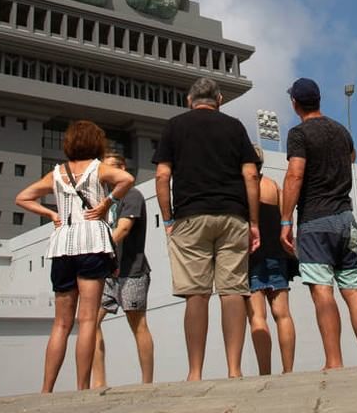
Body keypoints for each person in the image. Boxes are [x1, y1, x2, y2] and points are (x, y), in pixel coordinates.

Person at [152, 76, 260, 381]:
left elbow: (162, 176)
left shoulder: (174, 126)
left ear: (189, 100)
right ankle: (234, 370)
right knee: (233, 291)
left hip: (189, 216)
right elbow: (251, 175)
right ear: (220, 100)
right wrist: (252, 222)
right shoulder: (235, 126)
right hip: (232, 215)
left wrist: (168, 218)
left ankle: (195, 373)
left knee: (196, 295)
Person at [15, 120, 135, 392]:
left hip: (62, 245)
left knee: (61, 323)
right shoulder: (98, 168)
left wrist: (51, 214)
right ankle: (82, 387)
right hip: (92, 241)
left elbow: (22, 197)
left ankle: (46, 388)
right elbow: (126, 179)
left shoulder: (56, 173)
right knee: (88, 320)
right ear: (96, 143)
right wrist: (106, 203)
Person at [280, 77, 357, 369]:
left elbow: (295, 174)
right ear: (319, 100)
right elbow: (353, 156)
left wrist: (286, 220)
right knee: (353, 291)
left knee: (323, 291)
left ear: (295, 103)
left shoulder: (299, 133)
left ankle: (334, 362)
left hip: (315, 221)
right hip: (346, 220)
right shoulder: (341, 130)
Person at [90, 152, 155, 388]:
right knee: (90, 322)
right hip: (107, 272)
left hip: (132, 271)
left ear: (122, 169)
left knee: (137, 323)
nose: (107, 177)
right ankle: (99, 382)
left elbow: (123, 230)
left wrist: (98, 249)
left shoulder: (132, 195)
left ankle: (146, 382)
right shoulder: (105, 200)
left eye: (111, 170)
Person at [246, 145, 297, 374]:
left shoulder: (243, 187)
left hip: (251, 255)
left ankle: (264, 371)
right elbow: (288, 218)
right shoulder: (273, 185)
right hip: (277, 253)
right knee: (283, 314)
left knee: (258, 316)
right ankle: (288, 370)